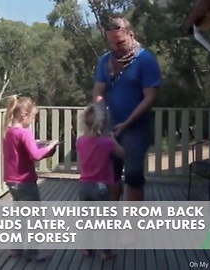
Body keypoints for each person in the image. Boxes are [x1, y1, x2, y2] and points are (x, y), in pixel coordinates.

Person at [93, 14, 162, 202]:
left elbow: (151, 97)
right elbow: (99, 92)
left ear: (130, 35)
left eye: (120, 42)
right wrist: (100, 120)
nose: (116, 47)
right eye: (112, 43)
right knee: (111, 176)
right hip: (111, 128)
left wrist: (126, 123)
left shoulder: (145, 60)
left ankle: (132, 227)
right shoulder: (105, 61)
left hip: (136, 130)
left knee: (133, 178)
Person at [2, 95, 59, 261]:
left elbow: (21, 149)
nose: (33, 120)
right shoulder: (25, 133)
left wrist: (36, 142)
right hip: (25, 181)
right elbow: (35, 155)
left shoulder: (9, 131)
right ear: (24, 115)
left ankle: (16, 249)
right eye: (33, 116)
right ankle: (33, 253)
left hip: (11, 181)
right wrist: (50, 146)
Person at [76, 103, 125, 260]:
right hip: (102, 187)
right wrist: (112, 138)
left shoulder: (80, 141)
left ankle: (87, 249)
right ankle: (106, 251)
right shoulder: (107, 142)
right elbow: (122, 153)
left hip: (84, 186)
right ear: (102, 123)